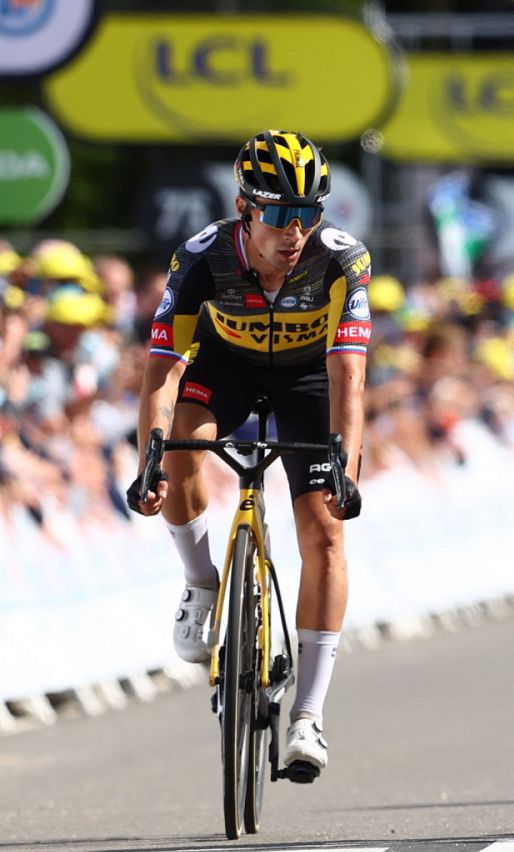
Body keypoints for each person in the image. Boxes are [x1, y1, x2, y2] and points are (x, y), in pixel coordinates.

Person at [127, 130, 369, 782]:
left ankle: (308, 718)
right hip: (225, 367)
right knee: (181, 444)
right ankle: (202, 583)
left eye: (308, 213)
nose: (294, 231)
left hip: (307, 382)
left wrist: (346, 463)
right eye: (279, 214)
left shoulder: (342, 261)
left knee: (323, 530)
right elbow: (162, 371)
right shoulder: (202, 257)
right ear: (245, 208)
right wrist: (149, 454)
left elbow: (350, 374)